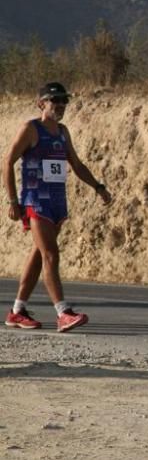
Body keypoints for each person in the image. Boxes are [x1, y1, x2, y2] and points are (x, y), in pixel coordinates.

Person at [4, 82, 112, 332]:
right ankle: (62, 312)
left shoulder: (63, 132)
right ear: (41, 103)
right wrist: (13, 201)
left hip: (56, 201)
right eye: (55, 101)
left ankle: (17, 311)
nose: (61, 105)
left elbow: (76, 163)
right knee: (51, 254)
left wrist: (98, 187)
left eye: (64, 101)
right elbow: (7, 162)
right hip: (35, 201)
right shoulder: (31, 129)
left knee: (39, 255)